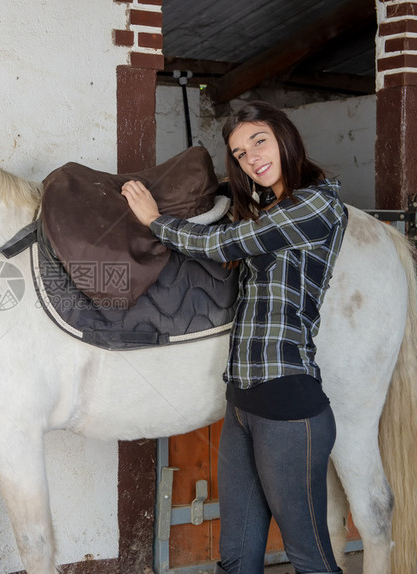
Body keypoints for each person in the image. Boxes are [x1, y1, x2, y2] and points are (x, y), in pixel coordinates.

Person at [121, 101, 347, 574]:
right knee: (237, 556)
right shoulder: (265, 210)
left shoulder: (317, 204)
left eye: (258, 141)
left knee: (310, 557)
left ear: (284, 136)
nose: (251, 158)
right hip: (242, 403)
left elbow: (223, 244)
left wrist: (154, 221)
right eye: (240, 153)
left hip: (289, 406)